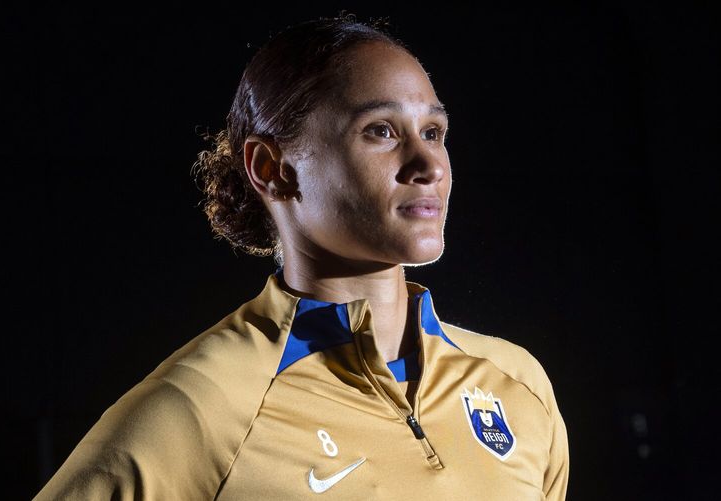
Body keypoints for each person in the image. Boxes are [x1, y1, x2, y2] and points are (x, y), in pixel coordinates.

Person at [34, 14, 569, 500]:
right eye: (380, 131)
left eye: (434, 132)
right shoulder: (201, 409)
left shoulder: (516, 383)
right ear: (271, 168)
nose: (428, 163)